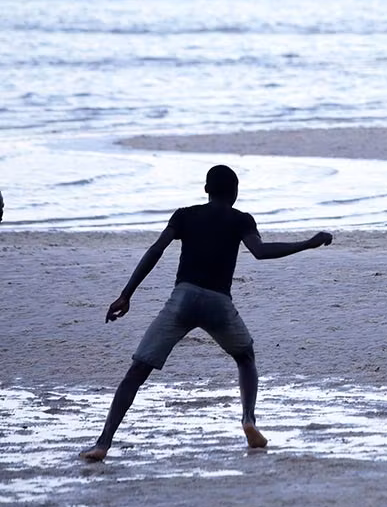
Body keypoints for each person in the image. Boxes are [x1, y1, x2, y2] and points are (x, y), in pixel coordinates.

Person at [79, 165, 333, 461]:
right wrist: (308, 243)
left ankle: (102, 443)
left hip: (183, 299)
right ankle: (249, 420)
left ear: (206, 190)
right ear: (235, 194)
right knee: (245, 357)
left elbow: (155, 250)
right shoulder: (241, 220)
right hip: (218, 304)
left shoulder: (185, 215)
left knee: (137, 371)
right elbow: (261, 252)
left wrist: (126, 294)